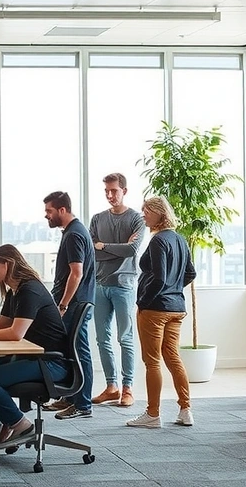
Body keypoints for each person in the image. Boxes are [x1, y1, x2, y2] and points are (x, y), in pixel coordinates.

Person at [0, 244, 69, 443]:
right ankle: (7, 422)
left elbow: (15, 333)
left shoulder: (30, 290)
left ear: (8, 264)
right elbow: (3, 324)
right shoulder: (15, 290)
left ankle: (20, 424)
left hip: (50, 363)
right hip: (31, 358)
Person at [126, 196, 196, 429]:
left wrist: (144, 301)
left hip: (155, 309)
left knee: (152, 361)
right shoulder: (180, 239)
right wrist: (173, 291)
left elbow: (159, 278)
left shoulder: (158, 241)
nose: (143, 215)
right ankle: (185, 410)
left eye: (146, 211)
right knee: (173, 358)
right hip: (176, 308)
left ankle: (153, 414)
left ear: (159, 213)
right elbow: (190, 273)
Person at [89, 173, 145, 408]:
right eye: (107, 191)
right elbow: (92, 252)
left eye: (114, 191)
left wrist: (103, 246)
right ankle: (111, 387)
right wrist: (115, 249)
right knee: (102, 339)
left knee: (125, 338)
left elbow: (132, 250)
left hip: (124, 285)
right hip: (100, 285)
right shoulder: (97, 219)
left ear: (124, 190)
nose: (110, 195)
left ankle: (127, 387)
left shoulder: (137, 219)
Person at [43, 191, 96, 420]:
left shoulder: (74, 234)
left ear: (62, 210)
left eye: (49, 211)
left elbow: (76, 273)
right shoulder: (71, 232)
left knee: (79, 351)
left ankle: (83, 404)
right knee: (69, 351)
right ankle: (71, 397)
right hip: (73, 302)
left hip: (76, 303)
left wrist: (63, 304)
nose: (46, 215)